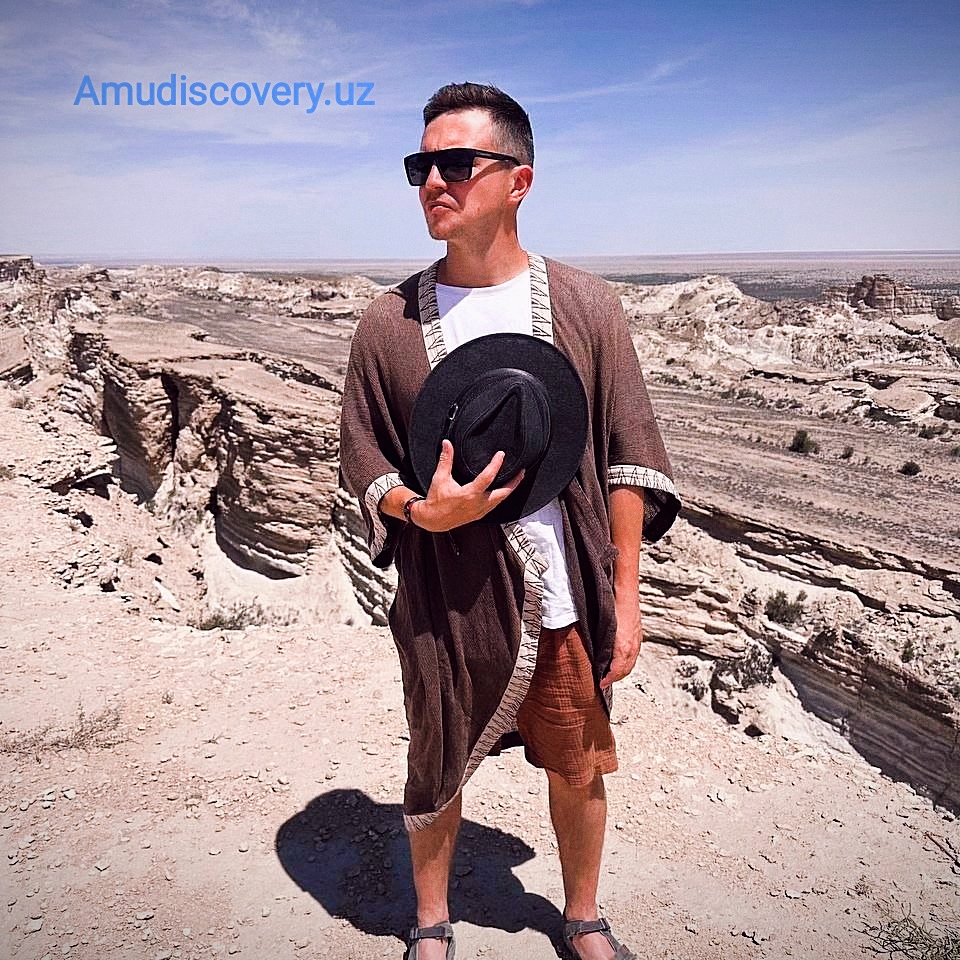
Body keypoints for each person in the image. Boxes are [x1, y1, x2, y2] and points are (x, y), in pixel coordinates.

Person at [338, 82, 680, 960]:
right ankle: (431, 921)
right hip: (445, 597)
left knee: (578, 762)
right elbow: (364, 457)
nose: (433, 183)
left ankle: (582, 916)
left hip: (562, 594)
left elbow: (627, 456)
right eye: (420, 167)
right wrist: (423, 510)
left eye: (456, 164)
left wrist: (628, 598)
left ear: (519, 180)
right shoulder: (388, 325)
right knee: (436, 760)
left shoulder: (588, 308)